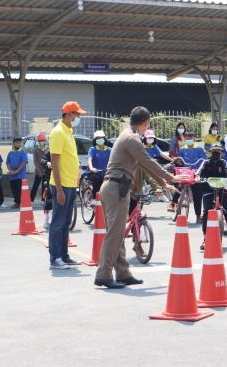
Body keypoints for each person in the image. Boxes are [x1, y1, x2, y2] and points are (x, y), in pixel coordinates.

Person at [94, 106, 187, 289]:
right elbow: (148, 161)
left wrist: (163, 182)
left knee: (118, 233)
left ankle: (123, 273)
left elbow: (142, 165)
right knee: (115, 235)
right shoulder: (132, 139)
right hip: (116, 188)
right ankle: (103, 274)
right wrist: (171, 178)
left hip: (116, 188)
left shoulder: (128, 136)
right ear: (146, 122)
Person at [48, 101, 87, 270]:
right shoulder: (58, 132)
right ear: (69, 114)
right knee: (57, 223)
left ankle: (64, 256)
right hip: (61, 185)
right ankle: (55, 258)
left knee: (65, 223)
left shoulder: (68, 131)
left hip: (70, 184)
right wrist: (59, 190)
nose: (78, 117)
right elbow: (55, 163)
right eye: (77, 114)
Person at [195, 143, 227, 250]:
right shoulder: (205, 163)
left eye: (218, 152)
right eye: (214, 152)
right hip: (208, 190)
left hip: (221, 190)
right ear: (210, 153)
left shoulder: (223, 163)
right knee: (206, 212)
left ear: (221, 153)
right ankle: (205, 239)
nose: (216, 154)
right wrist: (197, 177)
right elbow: (198, 173)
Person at [177, 131, 207, 224]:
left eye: (191, 138)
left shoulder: (199, 149)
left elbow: (205, 160)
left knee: (197, 195)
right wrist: (177, 161)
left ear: (194, 138)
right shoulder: (182, 149)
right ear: (184, 139)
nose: (189, 140)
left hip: (196, 173)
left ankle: (198, 216)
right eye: (187, 138)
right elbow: (180, 160)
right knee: (178, 187)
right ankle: (173, 204)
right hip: (185, 172)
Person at [86, 130, 111, 200]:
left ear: (104, 139)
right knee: (97, 180)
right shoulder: (92, 149)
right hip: (94, 172)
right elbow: (89, 159)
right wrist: (91, 168)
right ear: (95, 140)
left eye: (101, 138)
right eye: (97, 138)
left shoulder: (109, 150)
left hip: (105, 172)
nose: (99, 139)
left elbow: (114, 160)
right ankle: (95, 198)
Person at [6, 136, 28, 209]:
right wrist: (10, 170)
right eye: (16, 142)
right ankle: (17, 202)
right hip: (12, 175)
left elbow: (24, 162)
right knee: (14, 189)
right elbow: (8, 163)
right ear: (13, 143)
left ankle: (22, 202)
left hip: (20, 175)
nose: (18, 144)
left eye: (19, 142)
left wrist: (17, 170)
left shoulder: (23, 152)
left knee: (20, 189)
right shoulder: (10, 153)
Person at [30, 133, 47, 205]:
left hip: (45, 171)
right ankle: (31, 200)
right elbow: (35, 161)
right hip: (38, 171)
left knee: (44, 186)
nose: (41, 142)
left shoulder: (47, 149)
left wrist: (44, 150)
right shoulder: (36, 149)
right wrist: (38, 171)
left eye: (43, 140)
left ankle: (43, 200)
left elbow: (48, 159)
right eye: (40, 141)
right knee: (35, 185)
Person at [40, 148, 53, 229]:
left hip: (64, 178)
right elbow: (42, 161)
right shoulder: (50, 152)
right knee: (49, 197)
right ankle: (46, 217)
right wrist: (47, 162)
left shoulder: (66, 151)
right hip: (50, 179)